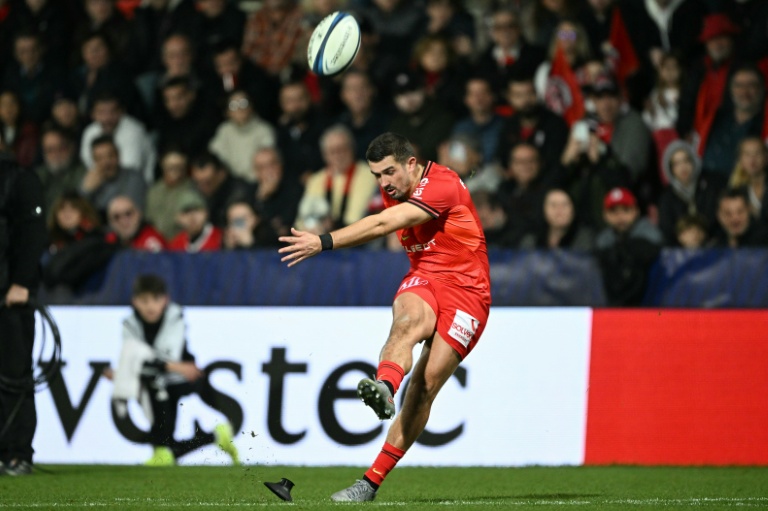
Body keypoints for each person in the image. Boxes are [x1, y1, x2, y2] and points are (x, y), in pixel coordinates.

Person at [279, 132, 491, 502]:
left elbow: (380, 225)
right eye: (376, 175)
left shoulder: (442, 184)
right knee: (406, 322)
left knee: (425, 387)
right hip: (426, 277)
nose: (384, 183)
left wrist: (322, 241)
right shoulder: (397, 190)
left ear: (412, 163)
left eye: (389, 172)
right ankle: (386, 388)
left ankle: (370, 482)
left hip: (469, 293)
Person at [104, 274, 240, 466]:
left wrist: (128, 372)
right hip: (164, 377)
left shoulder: (175, 316)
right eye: (144, 301)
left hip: (184, 380)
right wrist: (130, 370)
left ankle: (165, 450)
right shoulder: (129, 324)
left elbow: (168, 357)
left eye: (155, 300)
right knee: (164, 432)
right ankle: (215, 437)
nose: (150, 306)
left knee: (154, 392)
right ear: (135, 302)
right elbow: (139, 359)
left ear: (165, 300)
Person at [0, 149, 47, 476]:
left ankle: (17, 453)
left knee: (14, 376)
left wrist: (22, 282)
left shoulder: (19, 178)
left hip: (9, 295)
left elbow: (34, 232)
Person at [595, 187, 663, 306]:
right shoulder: (603, 239)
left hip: (650, 304)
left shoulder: (648, 231)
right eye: (614, 211)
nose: (620, 216)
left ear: (636, 211)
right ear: (605, 215)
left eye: (626, 210)